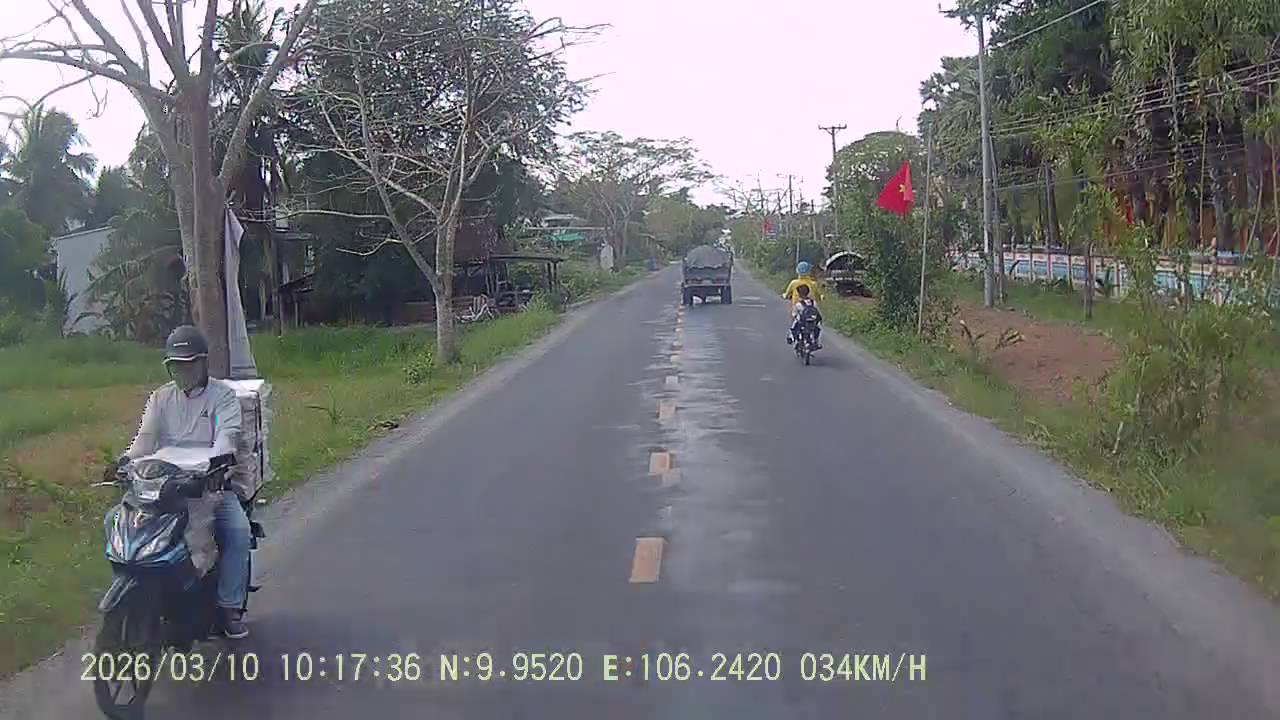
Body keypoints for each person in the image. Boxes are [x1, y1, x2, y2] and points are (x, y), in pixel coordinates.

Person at [104, 325, 251, 639]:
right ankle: (141, 586)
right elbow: (145, 440)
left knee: (238, 532)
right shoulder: (161, 398)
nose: (182, 371)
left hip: (210, 486)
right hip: (165, 488)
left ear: (203, 363)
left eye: (189, 364)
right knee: (115, 519)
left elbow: (226, 436)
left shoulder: (222, 398)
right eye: (176, 365)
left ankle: (229, 607)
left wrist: (217, 463)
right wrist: (124, 461)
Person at [782, 261, 824, 348]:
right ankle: (815, 341)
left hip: (797, 307)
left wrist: (785, 296)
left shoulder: (793, 283)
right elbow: (818, 296)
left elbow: (787, 295)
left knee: (795, 322)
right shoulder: (813, 284)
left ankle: (792, 337)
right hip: (811, 308)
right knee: (815, 324)